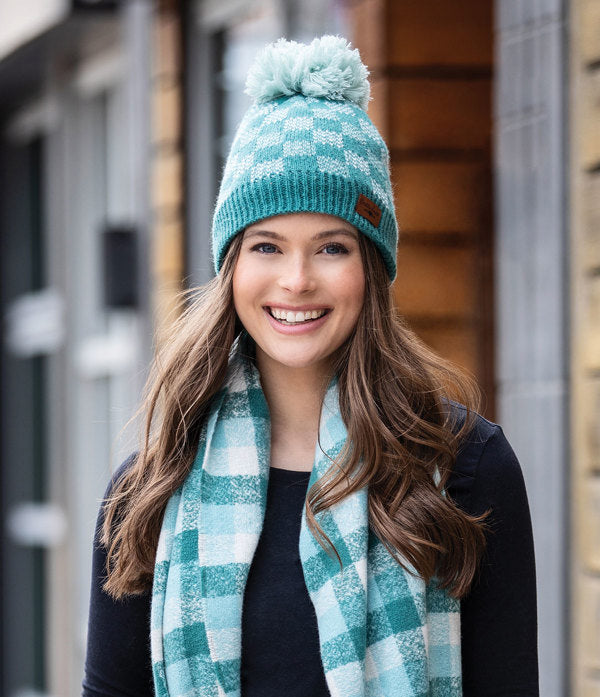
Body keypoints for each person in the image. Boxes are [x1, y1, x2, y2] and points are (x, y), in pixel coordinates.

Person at [82, 36, 538, 697]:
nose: (296, 280)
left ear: (371, 267)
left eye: (330, 246)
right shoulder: (151, 489)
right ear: (232, 265)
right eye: (267, 245)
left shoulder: (468, 468)